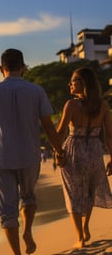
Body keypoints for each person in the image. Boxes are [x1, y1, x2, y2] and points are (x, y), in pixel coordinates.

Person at [0, 48, 63, 255]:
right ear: (23, 68)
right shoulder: (37, 91)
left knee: (7, 211)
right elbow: (48, 126)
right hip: (30, 156)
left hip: (2, 158)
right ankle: (27, 231)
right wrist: (58, 150)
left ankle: (17, 254)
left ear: (1, 68)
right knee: (28, 197)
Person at [56, 67, 112, 249]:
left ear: (83, 83)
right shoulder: (102, 105)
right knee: (89, 192)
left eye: (73, 81)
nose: (70, 84)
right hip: (95, 150)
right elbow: (109, 135)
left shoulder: (71, 105)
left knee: (73, 194)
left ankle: (80, 236)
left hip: (74, 150)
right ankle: (86, 226)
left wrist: (58, 152)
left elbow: (61, 130)